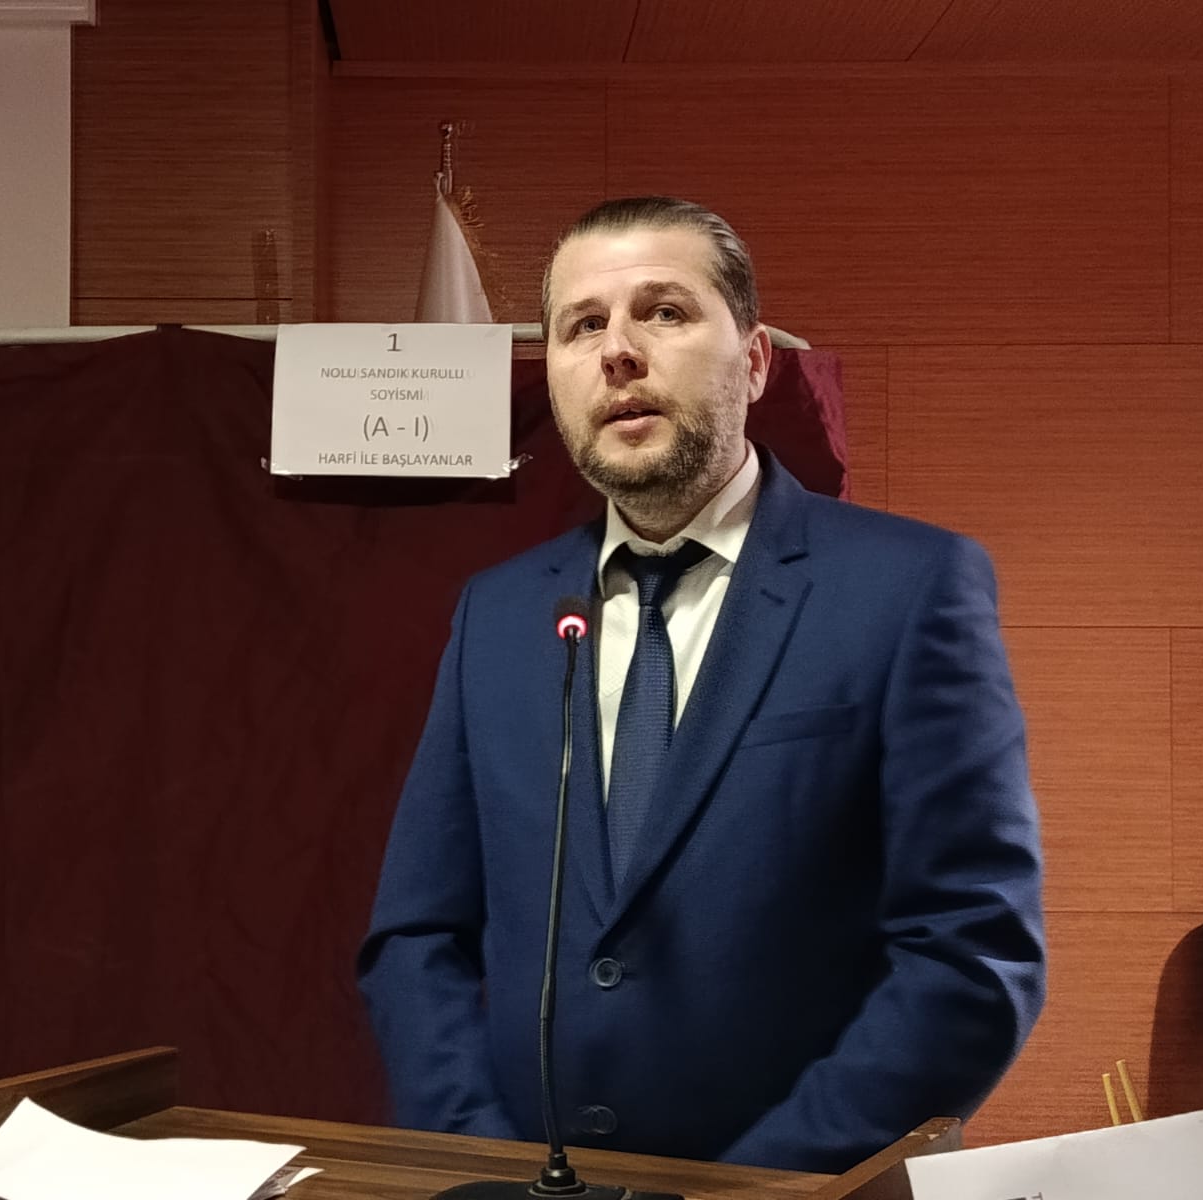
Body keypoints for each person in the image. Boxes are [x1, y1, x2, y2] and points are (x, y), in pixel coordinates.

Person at [357, 196, 1047, 1173]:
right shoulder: (498, 615)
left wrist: (755, 1192)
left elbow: (972, 951)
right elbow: (415, 936)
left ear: (755, 361)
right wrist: (492, 1169)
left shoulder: (908, 588)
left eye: (664, 312)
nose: (618, 351)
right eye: (582, 326)